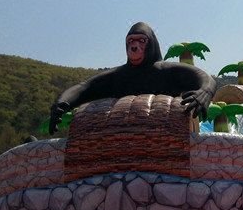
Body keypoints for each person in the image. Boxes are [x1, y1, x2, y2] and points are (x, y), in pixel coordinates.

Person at [48, 22, 217, 134]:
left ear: (151, 44)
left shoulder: (165, 71)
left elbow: (205, 79)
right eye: (131, 41)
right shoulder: (119, 76)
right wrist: (61, 103)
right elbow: (85, 87)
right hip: (124, 139)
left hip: (166, 135)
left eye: (141, 41)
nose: (134, 46)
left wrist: (205, 92)